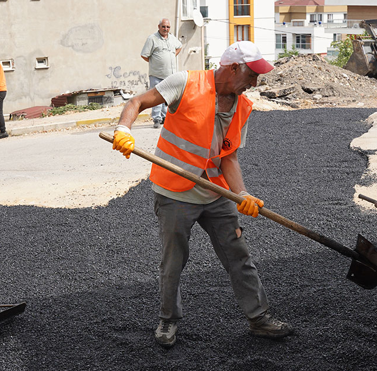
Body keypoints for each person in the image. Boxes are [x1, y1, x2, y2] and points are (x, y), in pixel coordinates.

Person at [112, 41, 292, 348]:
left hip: (216, 192)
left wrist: (242, 194)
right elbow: (137, 103)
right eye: (252, 76)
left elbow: (229, 157)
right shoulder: (185, 83)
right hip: (174, 191)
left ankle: (259, 318)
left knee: (239, 254)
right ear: (234, 68)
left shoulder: (242, 107)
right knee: (174, 261)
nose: (255, 83)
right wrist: (124, 130)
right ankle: (168, 320)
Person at [140, 18, 182, 128]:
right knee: (156, 97)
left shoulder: (172, 38)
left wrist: (172, 55)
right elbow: (144, 55)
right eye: (163, 26)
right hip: (156, 74)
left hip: (170, 75)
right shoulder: (152, 38)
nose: (165, 29)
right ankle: (156, 119)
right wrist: (156, 63)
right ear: (159, 26)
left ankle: (164, 117)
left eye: (168, 27)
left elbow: (179, 47)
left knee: (167, 97)